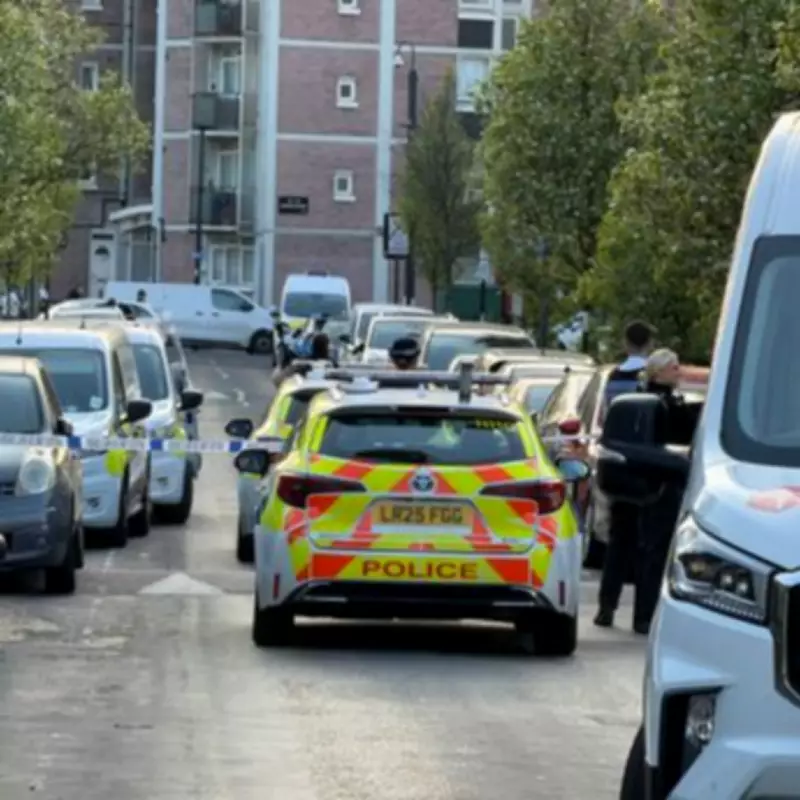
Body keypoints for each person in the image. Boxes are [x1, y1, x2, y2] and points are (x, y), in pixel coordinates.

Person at [594, 320, 655, 632]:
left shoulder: (615, 378)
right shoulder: (654, 381)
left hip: (619, 469)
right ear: (649, 344)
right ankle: (642, 616)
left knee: (618, 544)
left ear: (625, 341)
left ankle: (607, 606)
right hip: (649, 475)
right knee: (646, 547)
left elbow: (607, 420)